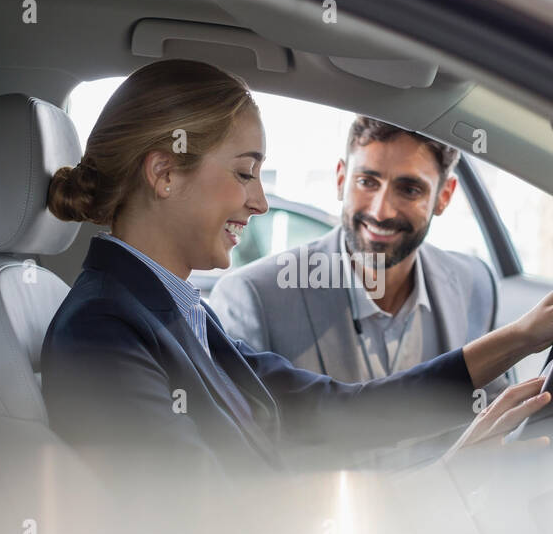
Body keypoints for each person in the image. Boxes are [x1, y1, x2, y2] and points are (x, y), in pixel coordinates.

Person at [40, 59, 553, 479]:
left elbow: (334, 412)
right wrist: (444, 481)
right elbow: (205, 527)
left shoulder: (177, 311)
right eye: (246, 173)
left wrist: (521, 338)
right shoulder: (103, 332)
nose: (261, 203)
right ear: (164, 173)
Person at [210, 117, 509, 396]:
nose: (381, 212)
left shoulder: (476, 284)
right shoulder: (255, 298)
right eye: (367, 182)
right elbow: (245, 447)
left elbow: (495, 416)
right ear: (341, 179)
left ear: (444, 196)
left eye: (409, 189)